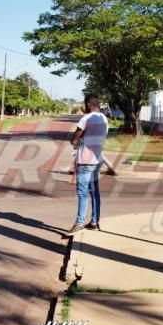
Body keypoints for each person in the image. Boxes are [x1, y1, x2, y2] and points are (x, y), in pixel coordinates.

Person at [67, 95, 109, 235]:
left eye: (85, 104)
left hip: (85, 160)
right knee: (94, 192)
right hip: (97, 160)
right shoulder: (104, 119)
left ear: (89, 104)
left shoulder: (86, 118)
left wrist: (76, 142)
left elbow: (74, 138)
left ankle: (79, 223)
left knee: (82, 193)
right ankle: (95, 222)